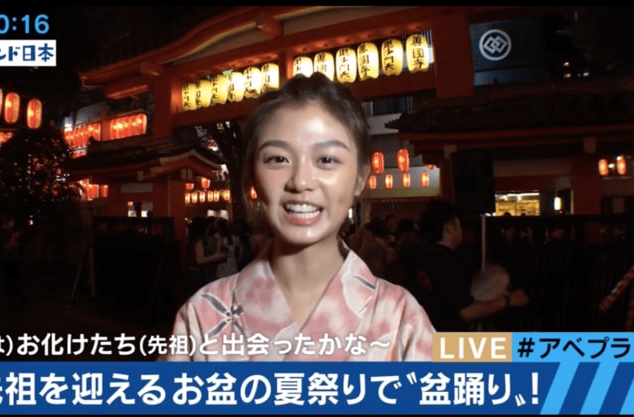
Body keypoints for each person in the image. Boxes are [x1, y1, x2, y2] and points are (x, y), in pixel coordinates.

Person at [166, 73, 434, 361]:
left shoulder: (403, 318)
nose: (300, 181)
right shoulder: (201, 316)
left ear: (360, 177)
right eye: (278, 159)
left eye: (326, 159)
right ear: (253, 176)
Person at [412, 199, 529, 332]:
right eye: (459, 225)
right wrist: (509, 300)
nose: (462, 231)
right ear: (449, 228)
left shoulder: (420, 256)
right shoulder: (444, 261)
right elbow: (467, 311)